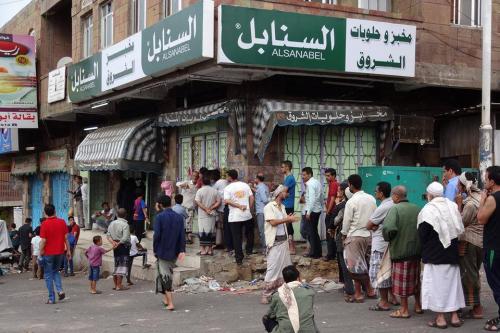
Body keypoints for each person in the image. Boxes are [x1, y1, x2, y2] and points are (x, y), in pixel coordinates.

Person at [418, 182, 465, 328]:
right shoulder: (452, 206)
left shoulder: (428, 209)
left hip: (434, 255)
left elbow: (423, 234)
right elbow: (459, 228)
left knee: (436, 286)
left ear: (429, 195)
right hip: (451, 253)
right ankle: (455, 317)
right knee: (452, 285)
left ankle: (440, 319)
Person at [383, 185, 422, 319]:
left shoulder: (395, 209)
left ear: (396, 196)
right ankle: (418, 305)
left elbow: (389, 228)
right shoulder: (417, 208)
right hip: (417, 251)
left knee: (402, 281)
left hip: (401, 251)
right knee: (416, 280)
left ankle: (404, 309)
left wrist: (389, 238)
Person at [341, 174, 376, 302]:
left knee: (354, 267)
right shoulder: (371, 198)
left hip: (355, 236)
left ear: (350, 185)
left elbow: (347, 222)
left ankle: (359, 293)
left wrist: (344, 235)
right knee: (364, 265)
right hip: (369, 235)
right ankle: (369, 290)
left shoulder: (351, 202)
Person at [261, 185, 298, 304]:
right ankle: (266, 294)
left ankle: (282, 293)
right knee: (272, 269)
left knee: (285, 268)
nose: (287, 194)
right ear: (279, 193)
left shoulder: (282, 206)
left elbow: (283, 223)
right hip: (274, 242)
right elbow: (272, 222)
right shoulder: (269, 207)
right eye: (286, 192)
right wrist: (287, 220)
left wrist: (288, 218)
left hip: (283, 242)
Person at [456, 172, 484, 319]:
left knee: (469, 274)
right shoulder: (482, 198)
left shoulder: (470, 204)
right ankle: (474, 305)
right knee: (474, 272)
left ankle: (477, 308)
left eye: (458, 184)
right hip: (480, 242)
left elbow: (461, 224)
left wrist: (459, 204)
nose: (456, 186)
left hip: (469, 242)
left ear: (462, 185)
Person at [153, 195, 186, 311]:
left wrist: (155, 249)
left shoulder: (159, 217)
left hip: (163, 250)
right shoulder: (178, 217)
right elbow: (182, 235)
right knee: (163, 274)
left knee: (166, 276)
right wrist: (182, 249)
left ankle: (171, 303)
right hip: (174, 251)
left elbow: (156, 236)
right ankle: (166, 299)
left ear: (160, 204)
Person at [477, 165, 500, 331]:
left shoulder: (493, 199)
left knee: (496, 283)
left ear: (492, 181)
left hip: (494, 248)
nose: (484, 181)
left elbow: (481, 219)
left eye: (486, 178)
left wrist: (482, 200)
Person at [366, 182, 395, 311]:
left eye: (376, 191)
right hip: (389, 244)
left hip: (380, 245)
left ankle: (383, 302)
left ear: (381, 193)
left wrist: (374, 226)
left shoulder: (383, 207)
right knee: (388, 272)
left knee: (378, 273)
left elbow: (369, 225)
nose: (374, 192)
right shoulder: (393, 204)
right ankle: (392, 298)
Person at [264, 265, 319, 333]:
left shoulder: (277, 295)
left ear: (284, 279)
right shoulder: (309, 292)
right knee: (308, 316)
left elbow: (270, 314)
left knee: (267, 319)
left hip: (286, 330)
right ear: (298, 277)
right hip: (309, 330)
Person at [39, 204, 71, 304]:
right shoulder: (62, 222)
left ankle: (51, 298)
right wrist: (69, 251)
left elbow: (43, 240)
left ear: (45, 213)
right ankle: (60, 290)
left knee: (48, 275)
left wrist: (40, 252)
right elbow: (66, 238)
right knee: (56, 271)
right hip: (60, 252)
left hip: (48, 253)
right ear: (55, 211)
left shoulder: (44, 224)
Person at [329, 183, 355, 301]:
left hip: (343, 236)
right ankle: (362, 287)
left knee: (343, 261)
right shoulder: (359, 202)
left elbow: (335, 221)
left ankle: (348, 288)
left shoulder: (343, 205)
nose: (337, 193)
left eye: (339, 191)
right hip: (358, 236)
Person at [224, 169, 255, 265]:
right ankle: (249, 251)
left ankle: (239, 258)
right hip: (247, 215)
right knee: (249, 233)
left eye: (227, 176)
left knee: (237, 237)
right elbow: (252, 197)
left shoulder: (228, 188)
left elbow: (227, 201)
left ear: (230, 177)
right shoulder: (245, 185)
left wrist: (239, 206)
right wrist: (249, 208)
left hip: (235, 217)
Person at [195, 176, 221, 256]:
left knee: (202, 232)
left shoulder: (200, 191)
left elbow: (197, 202)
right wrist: (211, 208)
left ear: (202, 182)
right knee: (211, 231)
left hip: (202, 215)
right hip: (211, 214)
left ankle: (203, 250)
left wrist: (205, 209)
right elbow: (219, 201)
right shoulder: (214, 191)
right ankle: (209, 250)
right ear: (210, 182)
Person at [107, 208, 131, 291]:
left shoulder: (112, 223)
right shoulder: (125, 225)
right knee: (122, 265)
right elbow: (125, 238)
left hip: (115, 246)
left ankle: (116, 284)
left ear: (117, 215)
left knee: (117, 264)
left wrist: (113, 243)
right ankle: (119, 285)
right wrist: (118, 243)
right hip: (123, 246)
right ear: (125, 215)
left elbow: (108, 235)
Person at [302, 167, 323, 259]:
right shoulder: (317, 182)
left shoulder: (310, 184)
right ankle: (317, 252)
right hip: (317, 209)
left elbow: (312, 199)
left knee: (311, 232)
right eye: (302, 175)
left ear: (310, 174)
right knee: (314, 231)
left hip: (312, 210)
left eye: (304, 174)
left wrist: (308, 212)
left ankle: (314, 253)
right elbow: (320, 196)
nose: (303, 177)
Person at [177, 171, 199, 244]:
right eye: (194, 175)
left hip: (191, 207)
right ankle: (183, 237)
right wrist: (183, 185)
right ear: (191, 176)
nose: (195, 177)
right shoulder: (187, 182)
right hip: (184, 206)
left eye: (196, 176)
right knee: (183, 223)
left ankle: (188, 238)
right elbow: (178, 184)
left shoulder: (198, 186)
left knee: (189, 223)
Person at [281, 161, 297, 255]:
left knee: (288, 225)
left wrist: (283, 193)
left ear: (287, 167)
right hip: (287, 204)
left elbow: (283, 192)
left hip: (288, 205)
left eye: (282, 167)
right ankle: (289, 246)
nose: (281, 169)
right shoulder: (288, 178)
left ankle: (291, 247)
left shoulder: (290, 178)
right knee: (286, 225)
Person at [323, 168, 338, 261]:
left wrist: (328, 211)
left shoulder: (333, 184)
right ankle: (332, 253)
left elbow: (332, 199)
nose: (327, 177)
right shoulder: (333, 184)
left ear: (333, 176)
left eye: (328, 176)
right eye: (326, 176)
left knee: (329, 233)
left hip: (331, 212)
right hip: (332, 211)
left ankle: (330, 255)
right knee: (331, 233)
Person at [212, 169, 229, 249]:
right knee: (224, 226)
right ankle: (224, 243)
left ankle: (220, 243)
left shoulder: (219, 183)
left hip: (221, 207)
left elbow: (213, 193)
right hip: (226, 207)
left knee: (220, 226)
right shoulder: (226, 182)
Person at [255, 173, 270, 254]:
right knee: (265, 229)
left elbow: (264, 199)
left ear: (257, 179)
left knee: (262, 230)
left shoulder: (260, 187)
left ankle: (265, 248)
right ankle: (266, 247)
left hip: (261, 211)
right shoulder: (264, 186)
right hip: (264, 210)